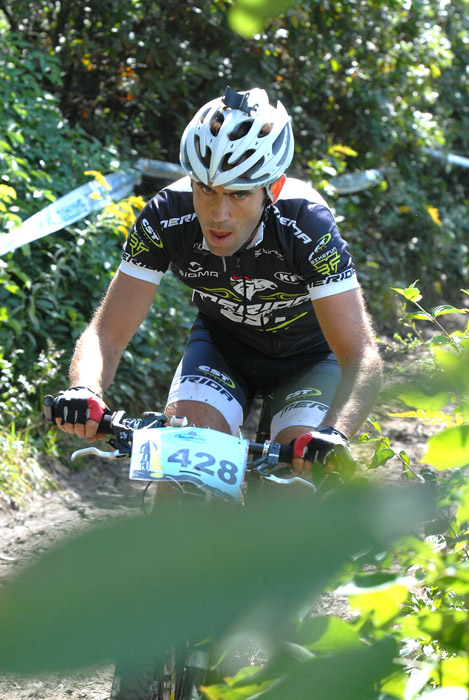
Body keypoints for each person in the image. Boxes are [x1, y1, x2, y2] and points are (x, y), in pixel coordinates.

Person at [52, 86, 382, 475]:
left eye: (239, 194)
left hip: (310, 357)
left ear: (272, 189)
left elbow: (360, 354)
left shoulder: (306, 225)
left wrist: (335, 433)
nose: (218, 214)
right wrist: (85, 388)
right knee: (184, 448)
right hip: (224, 348)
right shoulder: (166, 217)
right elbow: (107, 332)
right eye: (206, 189)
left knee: (301, 465)